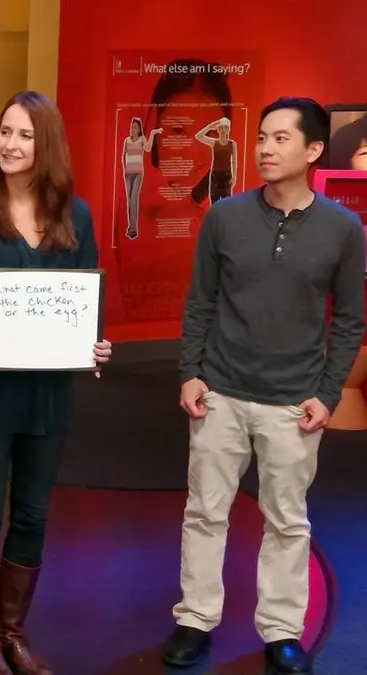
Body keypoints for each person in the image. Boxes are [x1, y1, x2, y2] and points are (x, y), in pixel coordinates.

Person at [163, 97, 365, 674]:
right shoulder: (225, 216)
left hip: (293, 402)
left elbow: (349, 319)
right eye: (261, 138)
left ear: (314, 149)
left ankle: (281, 631)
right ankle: (195, 619)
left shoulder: (343, 229)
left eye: (280, 139)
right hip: (220, 392)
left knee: (287, 521)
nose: (265, 149)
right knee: (205, 512)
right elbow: (200, 301)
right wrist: (190, 372)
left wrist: (328, 393)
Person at [0, 91, 113, 675]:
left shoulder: (75, 216)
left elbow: (84, 300)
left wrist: (93, 344)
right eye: (5, 132)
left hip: (47, 393)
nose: (9, 144)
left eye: (25, 135)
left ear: (46, 144)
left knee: (32, 514)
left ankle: (13, 633)